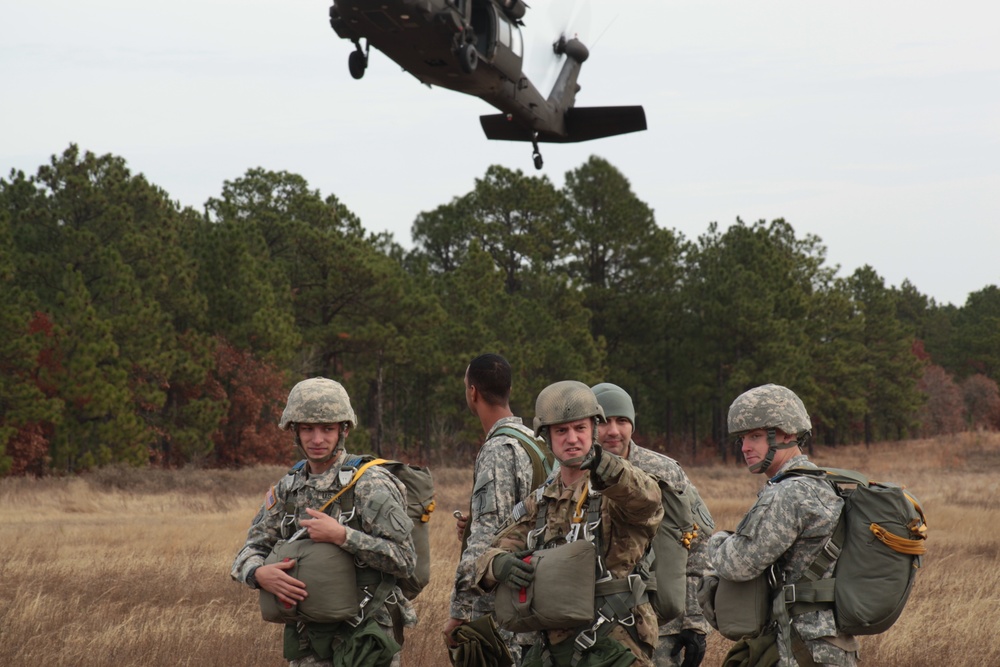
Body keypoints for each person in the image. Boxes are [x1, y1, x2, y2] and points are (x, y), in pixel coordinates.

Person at [231, 377, 417, 667]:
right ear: (295, 431)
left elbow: (405, 560)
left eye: (327, 429)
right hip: (308, 643)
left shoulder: (369, 484)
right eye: (307, 429)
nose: (317, 439)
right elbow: (250, 549)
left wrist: (344, 537)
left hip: (365, 641)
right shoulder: (288, 488)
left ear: (343, 430)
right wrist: (257, 573)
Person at [476, 380, 664, 667]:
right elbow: (489, 555)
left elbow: (647, 499)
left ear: (594, 431)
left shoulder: (616, 491)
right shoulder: (539, 503)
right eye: (561, 431)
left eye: (580, 429)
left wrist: (608, 468)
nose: (572, 438)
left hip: (616, 644)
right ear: (547, 437)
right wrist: (498, 565)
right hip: (553, 648)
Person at [708, 384, 859, 666]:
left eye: (755, 436)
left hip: (801, 646)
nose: (745, 447)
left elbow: (738, 563)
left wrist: (715, 541)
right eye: (742, 438)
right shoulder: (820, 483)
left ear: (787, 433)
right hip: (827, 643)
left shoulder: (790, 492)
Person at [591, 383, 714, 667]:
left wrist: (694, 623)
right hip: (587, 625)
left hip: (659, 629)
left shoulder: (664, 471)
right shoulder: (570, 475)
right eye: (603, 421)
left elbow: (696, 543)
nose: (613, 431)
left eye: (622, 421)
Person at [445, 353, 546, 664]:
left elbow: (488, 536)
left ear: (472, 392)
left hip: (505, 606)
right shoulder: (536, 441)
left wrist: (460, 611)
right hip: (538, 595)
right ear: (509, 391)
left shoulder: (498, 449)